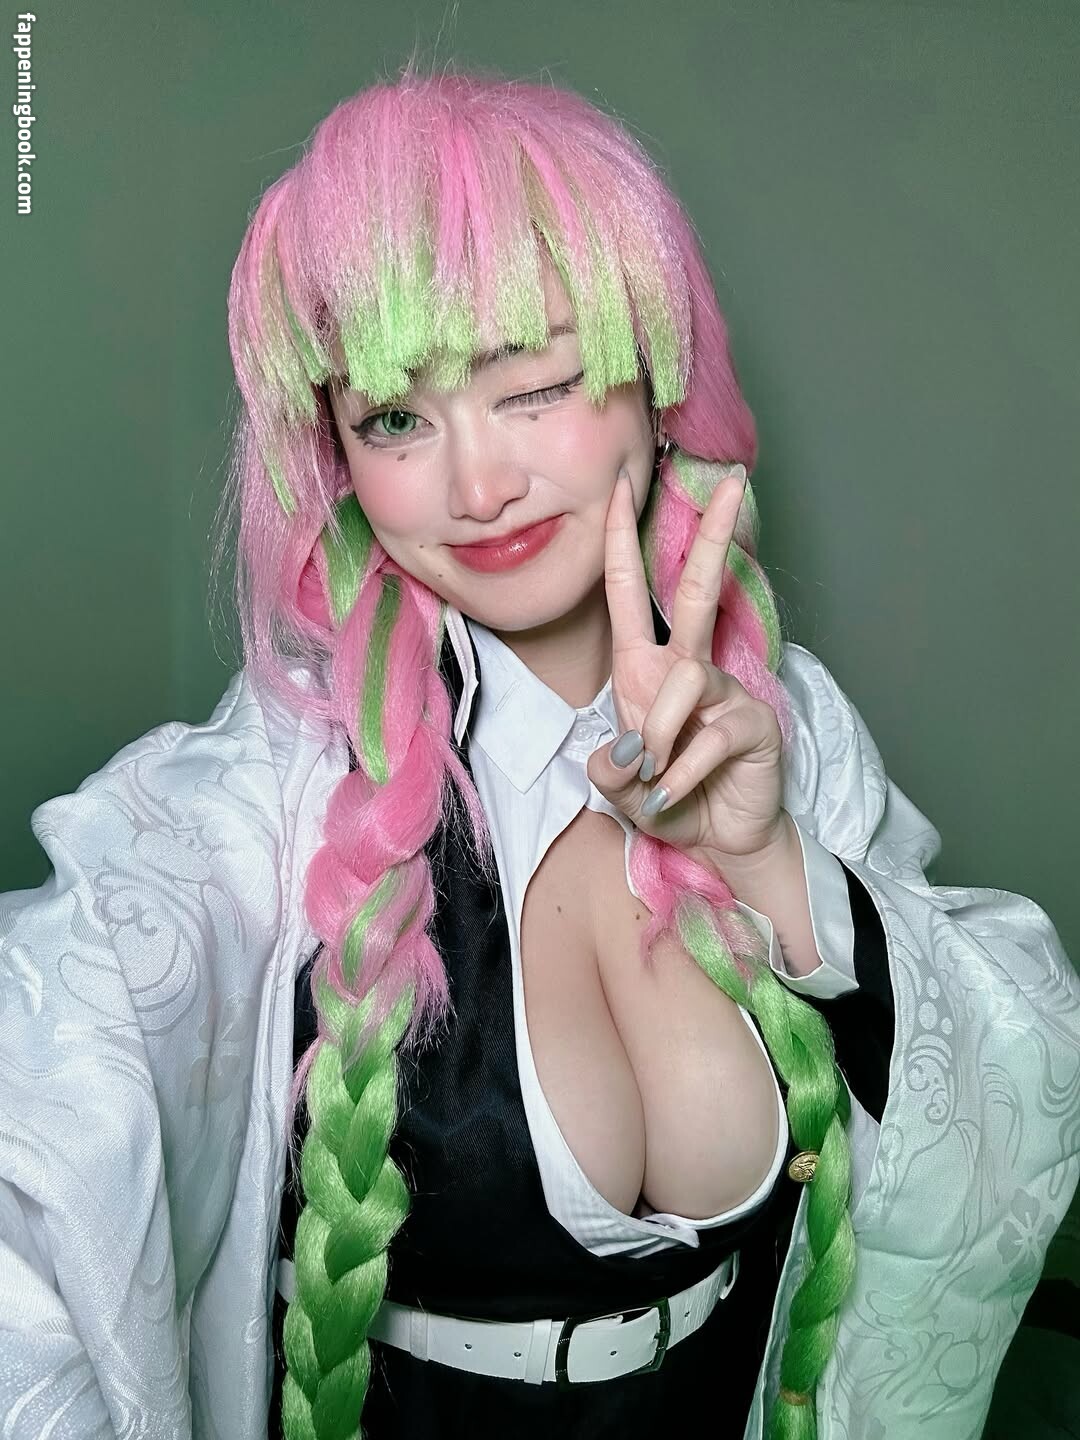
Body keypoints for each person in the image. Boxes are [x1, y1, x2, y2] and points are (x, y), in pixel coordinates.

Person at [1, 61, 1077, 1440]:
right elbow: (50, 1097)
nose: (477, 486)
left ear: (657, 382)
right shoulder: (272, 798)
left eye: (537, 384)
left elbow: (1021, 1073)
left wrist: (774, 864)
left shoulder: (788, 728)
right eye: (395, 419)